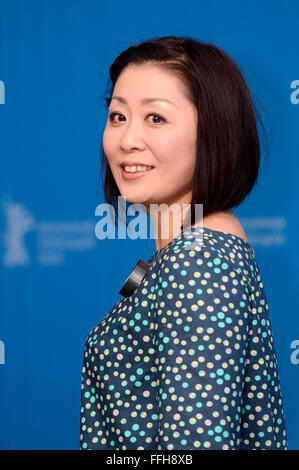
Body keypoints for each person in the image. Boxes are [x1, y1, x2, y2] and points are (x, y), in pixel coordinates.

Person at [79, 35, 288, 450]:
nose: (127, 140)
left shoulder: (200, 261)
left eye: (155, 118)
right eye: (118, 116)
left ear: (213, 130)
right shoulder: (182, 254)